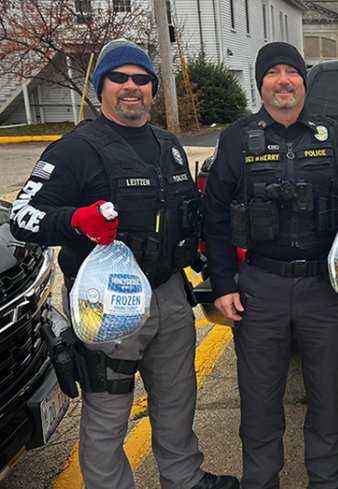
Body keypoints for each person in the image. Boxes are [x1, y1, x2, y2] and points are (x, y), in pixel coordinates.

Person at [9, 39, 238, 489]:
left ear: (153, 89)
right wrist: (76, 220)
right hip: (106, 301)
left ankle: (184, 479)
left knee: (177, 399)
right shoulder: (74, 149)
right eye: (120, 78)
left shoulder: (168, 145)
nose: (131, 87)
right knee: (109, 410)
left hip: (169, 292)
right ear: (101, 87)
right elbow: (22, 217)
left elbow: (190, 212)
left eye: (141, 79)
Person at [202, 42, 338, 489]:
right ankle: (261, 480)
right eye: (274, 73)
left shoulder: (335, 136)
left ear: (304, 82)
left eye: (292, 72)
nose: (284, 80)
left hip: (322, 287)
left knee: (325, 398)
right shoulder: (236, 138)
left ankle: (326, 480)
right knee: (260, 400)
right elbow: (216, 215)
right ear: (261, 82)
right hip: (260, 284)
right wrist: (223, 282)